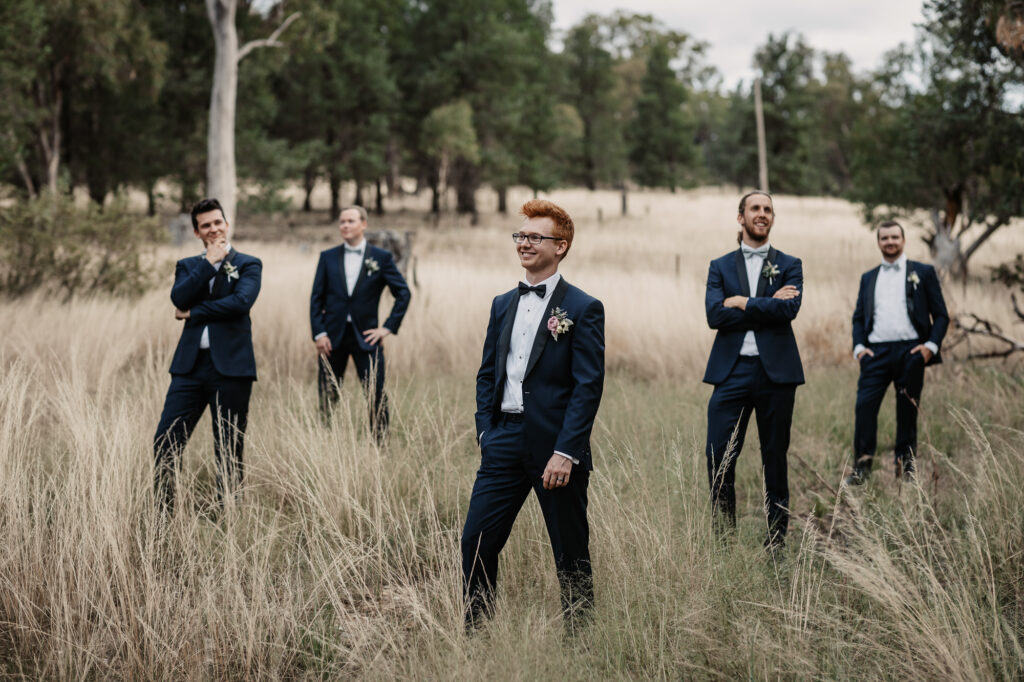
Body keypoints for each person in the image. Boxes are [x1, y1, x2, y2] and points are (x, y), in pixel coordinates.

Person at [461, 199, 604, 632]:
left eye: (534, 237)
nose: (524, 243)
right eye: (520, 235)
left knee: (569, 551)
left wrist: (567, 450)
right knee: (476, 542)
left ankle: (581, 643)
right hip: (503, 440)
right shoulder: (502, 303)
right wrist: (486, 430)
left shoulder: (582, 308)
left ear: (560, 246)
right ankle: (478, 636)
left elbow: (587, 386)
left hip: (555, 447)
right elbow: (488, 373)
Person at [703, 191, 804, 550]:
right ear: (740, 216)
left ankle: (776, 542)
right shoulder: (720, 265)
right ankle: (724, 540)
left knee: (774, 457)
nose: (762, 214)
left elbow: (788, 311)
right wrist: (766, 305)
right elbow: (715, 315)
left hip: (777, 374)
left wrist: (742, 302)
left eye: (768, 209)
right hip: (730, 373)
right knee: (718, 455)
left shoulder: (790, 264)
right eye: (755, 209)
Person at [153, 198, 262, 513]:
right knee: (166, 441)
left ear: (226, 224)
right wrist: (208, 263)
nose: (214, 229)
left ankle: (227, 511)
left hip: (232, 368)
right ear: (197, 232)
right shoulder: (188, 266)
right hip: (189, 368)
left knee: (228, 446)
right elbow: (178, 297)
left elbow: (241, 303)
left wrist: (193, 312)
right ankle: (165, 509)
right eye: (206, 226)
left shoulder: (249, 264)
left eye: (218, 222)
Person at [846, 220, 949, 485]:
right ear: (878, 242)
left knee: (907, 411)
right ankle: (862, 467)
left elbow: (940, 315)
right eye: (884, 238)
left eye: (894, 237)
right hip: (875, 354)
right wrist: (859, 348)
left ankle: (905, 468)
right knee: (864, 408)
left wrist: (930, 347)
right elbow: (858, 317)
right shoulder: (868, 277)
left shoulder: (923, 272)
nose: (890, 242)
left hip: (911, 351)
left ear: (903, 240)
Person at [309, 205, 411, 441]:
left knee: (376, 394)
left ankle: (380, 446)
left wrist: (387, 328)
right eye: (342, 221)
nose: (345, 225)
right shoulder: (327, 257)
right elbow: (316, 298)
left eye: (351, 221)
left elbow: (403, 293)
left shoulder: (381, 257)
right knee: (327, 395)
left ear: (363, 224)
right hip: (331, 337)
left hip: (367, 337)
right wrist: (319, 333)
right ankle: (324, 442)